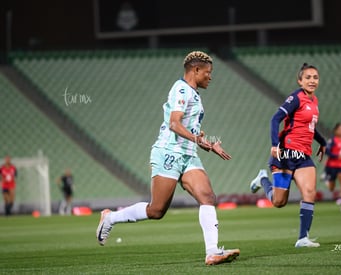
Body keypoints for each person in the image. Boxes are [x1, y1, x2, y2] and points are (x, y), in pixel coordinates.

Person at [96, 51, 240, 265]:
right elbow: (174, 123)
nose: (210, 77)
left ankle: (212, 252)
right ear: (196, 70)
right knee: (156, 210)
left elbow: (190, 130)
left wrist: (207, 143)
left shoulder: (194, 95)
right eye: (208, 72)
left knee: (207, 197)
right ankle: (110, 217)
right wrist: (197, 140)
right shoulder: (181, 89)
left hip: (188, 155)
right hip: (169, 152)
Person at [250, 63, 326, 248]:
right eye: (307, 77)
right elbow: (275, 118)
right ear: (300, 81)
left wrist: (322, 142)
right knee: (278, 202)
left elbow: (309, 127)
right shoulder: (296, 98)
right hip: (285, 154)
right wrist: (275, 144)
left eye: (315, 77)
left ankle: (302, 238)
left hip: (303, 157)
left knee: (309, 192)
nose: (312, 80)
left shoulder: (314, 101)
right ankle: (262, 180)